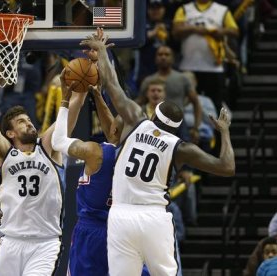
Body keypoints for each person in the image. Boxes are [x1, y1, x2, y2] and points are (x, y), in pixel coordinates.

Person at [80, 27, 235, 275]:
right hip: (154, 216)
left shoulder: (137, 119)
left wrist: (100, 51)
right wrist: (224, 132)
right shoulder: (180, 147)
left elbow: (112, 85)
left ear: (154, 114)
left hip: (121, 215)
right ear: (176, 127)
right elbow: (227, 168)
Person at [0, 34, 86, 275]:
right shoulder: (4, 154)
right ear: (10, 132)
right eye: (21, 122)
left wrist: (83, 85)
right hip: (10, 241)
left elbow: (70, 114)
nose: (29, 123)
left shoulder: (48, 147)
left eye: (28, 120)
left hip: (45, 243)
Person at [52, 76, 121, 275]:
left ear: (113, 129)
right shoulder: (132, 152)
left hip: (90, 231)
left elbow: (57, 141)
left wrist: (65, 99)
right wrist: (98, 96)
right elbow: (114, 131)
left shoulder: (95, 151)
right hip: (120, 230)